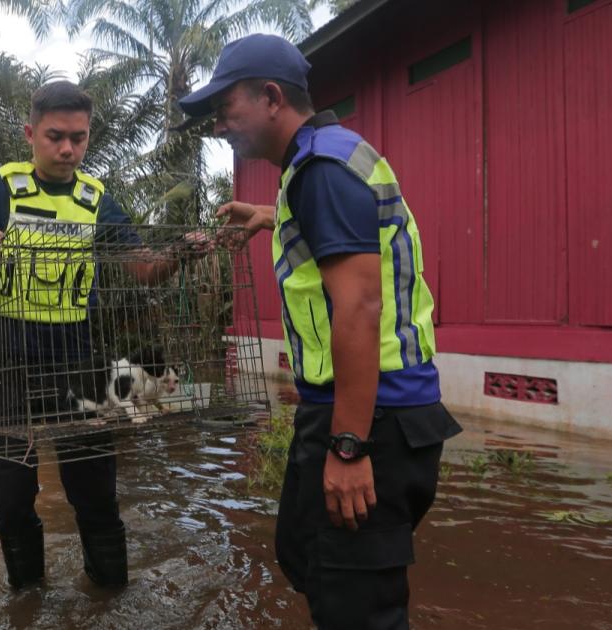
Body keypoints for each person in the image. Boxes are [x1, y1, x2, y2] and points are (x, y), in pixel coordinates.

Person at [178, 34, 463, 629]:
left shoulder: (323, 171)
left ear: (271, 97)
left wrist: (349, 447)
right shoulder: (315, 166)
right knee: (303, 553)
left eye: (225, 110)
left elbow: (358, 307)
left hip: (373, 416)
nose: (219, 126)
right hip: (355, 407)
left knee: (355, 603)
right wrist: (268, 217)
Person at [0, 80, 206, 591]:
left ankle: (108, 598)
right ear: (30, 133)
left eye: (78, 138)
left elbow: (143, 269)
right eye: (55, 136)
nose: (67, 149)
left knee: (96, 494)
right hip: (3, 365)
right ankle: (28, 602)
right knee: (13, 499)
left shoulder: (96, 199)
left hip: (78, 364)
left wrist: (181, 253)